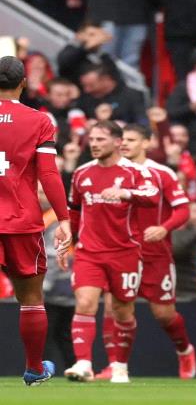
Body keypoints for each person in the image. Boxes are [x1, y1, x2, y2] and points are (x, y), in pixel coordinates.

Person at [93, 124, 196, 380]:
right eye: (123, 139)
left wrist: (164, 228)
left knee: (164, 314)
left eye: (131, 139)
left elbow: (183, 210)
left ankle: (184, 349)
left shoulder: (161, 173)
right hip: (119, 252)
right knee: (112, 308)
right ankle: (114, 365)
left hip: (154, 254)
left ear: (147, 143)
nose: (125, 144)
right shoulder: (107, 171)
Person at [63, 120, 160, 383]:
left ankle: (119, 366)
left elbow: (153, 195)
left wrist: (125, 193)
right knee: (85, 302)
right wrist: (67, 241)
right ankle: (84, 364)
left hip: (125, 252)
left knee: (122, 310)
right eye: (92, 139)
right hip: (89, 252)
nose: (94, 144)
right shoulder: (81, 173)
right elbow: (74, 210)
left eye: (100, 139)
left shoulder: (135, 171)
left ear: (118, 142)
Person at [0, 55, 71, 386]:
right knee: (30, 299)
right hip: (20, 220)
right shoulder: (39, 120)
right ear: (24, 83)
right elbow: (49, 174)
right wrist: (64, 218)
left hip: (18, 219)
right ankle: (33, 369)